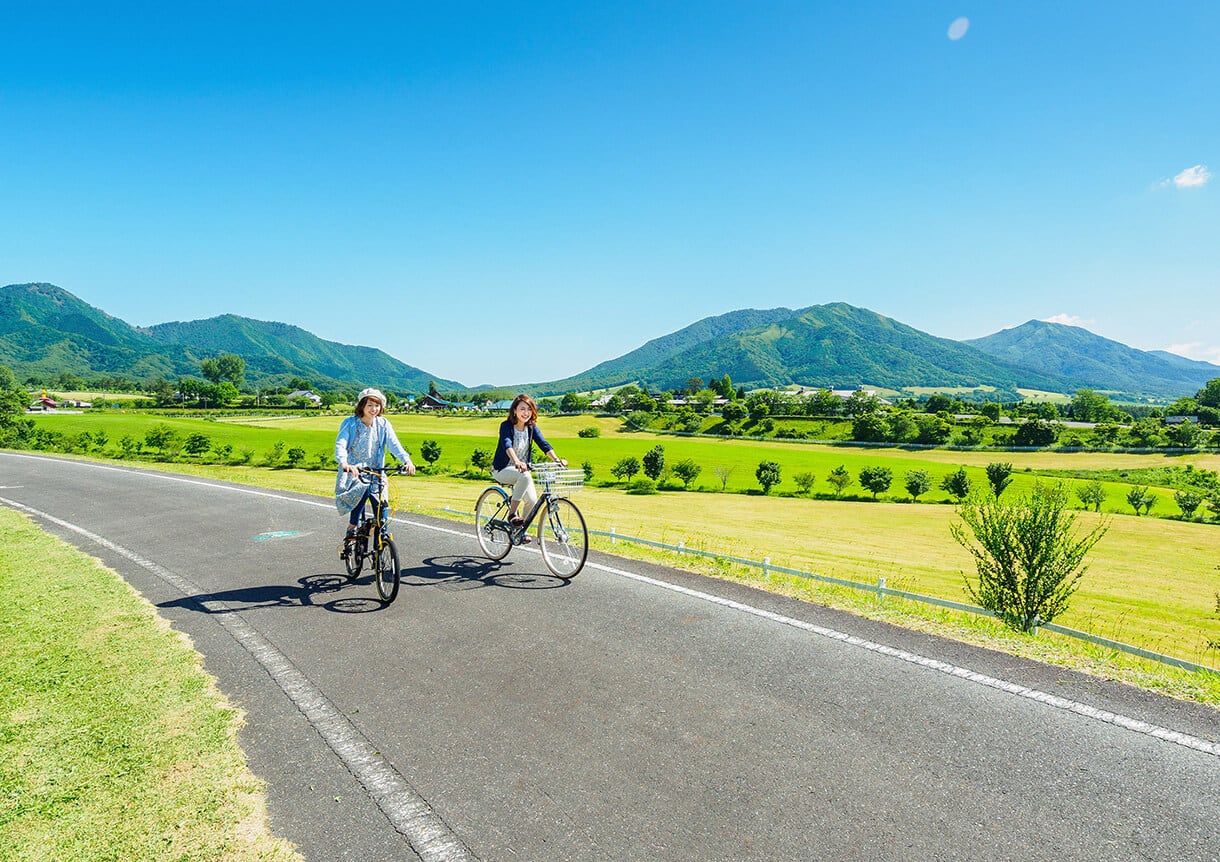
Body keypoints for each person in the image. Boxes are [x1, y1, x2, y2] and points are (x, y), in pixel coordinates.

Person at [334, 387, 415, 541]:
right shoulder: (350, 423)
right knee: (362, 489)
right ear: (362, 406)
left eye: (377, 405)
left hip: (377, 471)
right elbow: (341, 444)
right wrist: (344, 463)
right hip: (354, 471)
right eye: (370, 405)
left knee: (382, 506)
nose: (374, 409)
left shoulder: (383, 424)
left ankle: (382, 537)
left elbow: (394, 444)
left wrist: (406, 460)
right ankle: (352, 525)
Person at [491, 393, 567, 533]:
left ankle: (519, 531)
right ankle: (512, 514)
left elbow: (544, 445)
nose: (526, 413)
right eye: (522, 409)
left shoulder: (531, 428)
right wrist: (517, 461)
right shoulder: (506, 426)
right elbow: (507, 445)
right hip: (502, 469)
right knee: (525, 476)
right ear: (514, 410)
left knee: (532, 501)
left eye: (529, 409)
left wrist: (557, 460)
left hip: (522, 471)